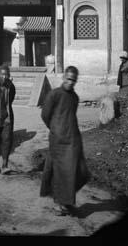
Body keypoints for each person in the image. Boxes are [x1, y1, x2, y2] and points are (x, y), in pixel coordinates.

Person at [40, 66, 89, 216]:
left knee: (80, 171)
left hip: (73, 139)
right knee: (62, 173)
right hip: (58, 141)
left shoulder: (74, 97)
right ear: (63, 78)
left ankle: (65, 199)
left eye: (73, 80)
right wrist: (55, 129)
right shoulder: (54, 95)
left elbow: (71, 117)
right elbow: (45, 115)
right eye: (68, 79)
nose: (70, 82)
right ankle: (59, 203)